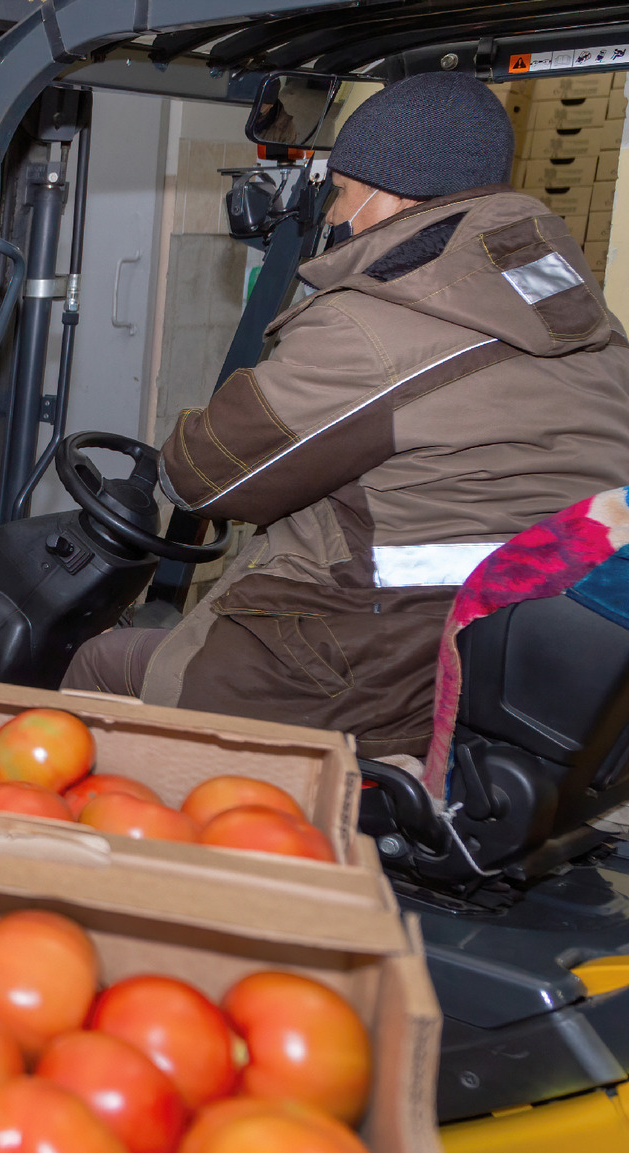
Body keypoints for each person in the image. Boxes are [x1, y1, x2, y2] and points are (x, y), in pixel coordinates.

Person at [62, 72, 629, 759]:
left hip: (369, 664)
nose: (334, 213)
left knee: (102, 664)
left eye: (345, 192)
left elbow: (198, 476)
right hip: (516, 662)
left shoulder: (372, 327)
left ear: (389, 195)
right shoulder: (586, 322)